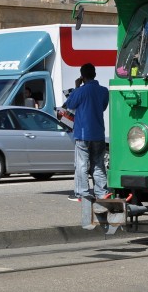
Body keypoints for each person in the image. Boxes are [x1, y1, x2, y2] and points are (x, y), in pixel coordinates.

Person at [59, 63, 108, 202]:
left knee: (81, 164)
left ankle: (83, 192)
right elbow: (103, 107)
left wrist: (76, 87)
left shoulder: (80, 91)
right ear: (95, 74)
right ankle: (102, 192)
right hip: (98, 133)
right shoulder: (104, 91)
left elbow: (70, 105)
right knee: (98, 164)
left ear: (82, 76)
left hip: (83, 133)